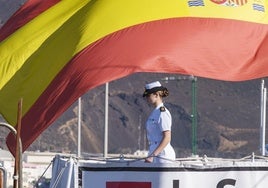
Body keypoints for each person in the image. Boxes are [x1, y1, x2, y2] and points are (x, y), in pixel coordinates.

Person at [143, 81, 176, 163]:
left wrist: (153, 155)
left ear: (156, 95)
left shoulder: (162, 113)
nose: (146, 98)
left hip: (162, 155)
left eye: (148, 95)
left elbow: (167, 137)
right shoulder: (155, 112)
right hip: (154, 152)